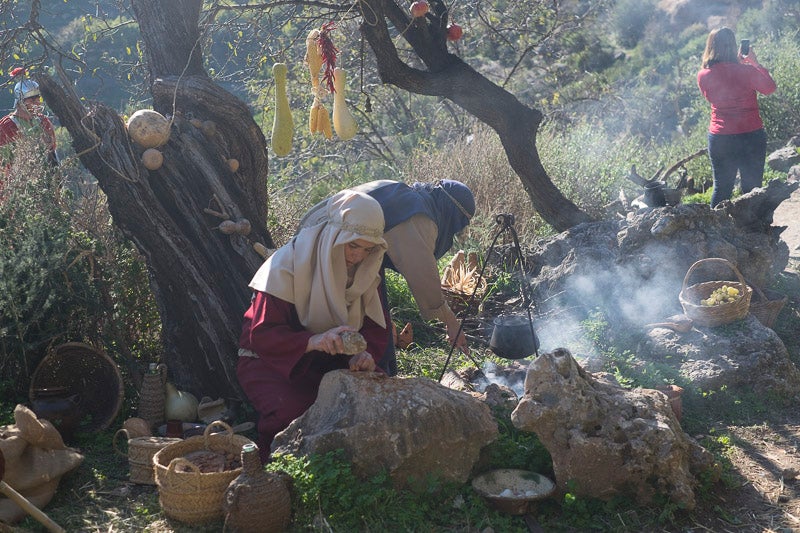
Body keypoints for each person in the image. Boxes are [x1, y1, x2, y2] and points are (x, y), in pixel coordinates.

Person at [237, 189, 390, 461]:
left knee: (377, 399)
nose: (357, 257)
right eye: (353, 245)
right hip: (274, 361)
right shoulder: (286, 265)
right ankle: (270, 474)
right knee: (295, 413)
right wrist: (313, 341)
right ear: (333, 236)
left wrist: (365, 354)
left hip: (332, 361)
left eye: (367, 249)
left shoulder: (363, 270)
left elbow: (375, 329)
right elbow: (262, 335)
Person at [300, 179, 476, 376]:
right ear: (451, 212)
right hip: (330, 248)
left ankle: (382, 371)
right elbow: (423, 277)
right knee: (354, 325)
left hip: (338, 247)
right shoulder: (416, 215)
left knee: (376, 320)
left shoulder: (411, 198)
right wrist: (451, 322)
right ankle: (367, 376)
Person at [697, 27, 776, 207]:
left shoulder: (703, 75)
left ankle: (716, 231)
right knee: (752, 188)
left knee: (722, 189)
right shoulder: (747, 71)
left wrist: (737, 67)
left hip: (721, 137)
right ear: (733, 46)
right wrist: (754, 63)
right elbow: (770, 88)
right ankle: (754, 231)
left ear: (711, 46)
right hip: (751, 134)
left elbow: (720, 88)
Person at [0, 68, 58, 168]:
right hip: (18, 179)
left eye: (38, 97)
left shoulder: (43, 121)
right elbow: (4, 164)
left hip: (45, 177)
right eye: (31, 98)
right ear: (20, 100)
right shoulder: (7, 126)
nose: (37, 102)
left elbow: (52, 153)